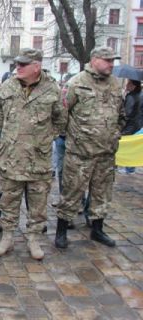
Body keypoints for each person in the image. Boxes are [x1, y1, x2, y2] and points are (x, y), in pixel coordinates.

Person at [0, 48, 67, 260]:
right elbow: (0, 116)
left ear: (37, 66)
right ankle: (7, 237)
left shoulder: (52, 88)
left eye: (23, 64)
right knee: (8, 200)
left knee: (38, 204)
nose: (18, 67)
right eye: (17, 63)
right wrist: (12, 137)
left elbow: (61, 120)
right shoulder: (8, 86)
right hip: (12, 158)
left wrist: (43, 138)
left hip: (38, 159)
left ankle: (33, 239)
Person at [55, 47, 126, 249]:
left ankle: (97, 229)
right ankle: (61, 231)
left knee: (102, 193)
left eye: (113, 60)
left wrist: (115, 133)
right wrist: (72, 137)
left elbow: (121, 114)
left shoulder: (114, 84)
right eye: (107, 60)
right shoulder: (77, 82)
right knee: (71, 193)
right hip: (80, 153)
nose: (111, 64)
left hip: (106, 153)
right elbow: (62, 114)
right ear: (94, 60)